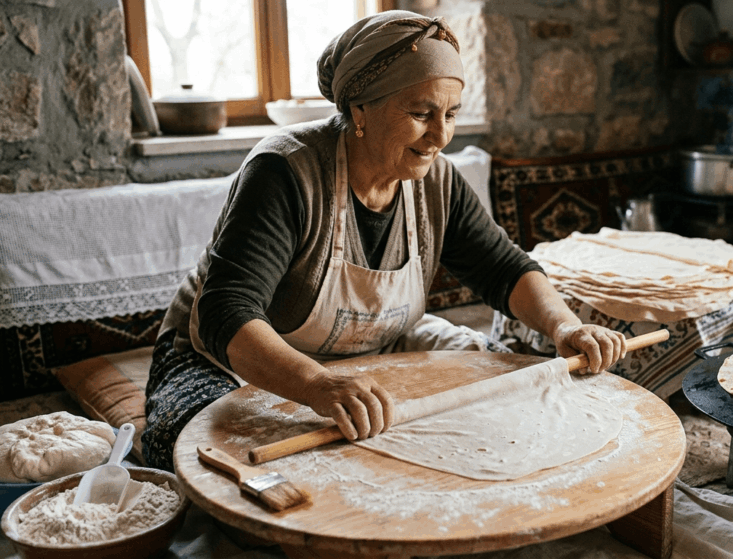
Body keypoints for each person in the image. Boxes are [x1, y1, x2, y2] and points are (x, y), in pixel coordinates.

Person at [142, 10, 627, 471]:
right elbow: (229, 313)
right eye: (421, 113)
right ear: (360, 110)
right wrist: (317, 384)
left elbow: (503, 268)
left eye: (452, 114)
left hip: (373, 352)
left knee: (508, 400)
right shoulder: (284, 171)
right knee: (208, 456)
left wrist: (564, 328)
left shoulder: (437, 180)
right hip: (225, 360)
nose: (440, 136)